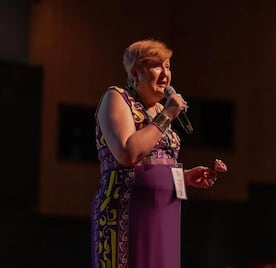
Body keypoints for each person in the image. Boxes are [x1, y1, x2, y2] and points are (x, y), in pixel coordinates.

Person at [90, 38, 228, 268]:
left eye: (167, 66)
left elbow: (156, 162)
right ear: (135, 73)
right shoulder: (116, 98)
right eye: (156, 65)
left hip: (165, 214)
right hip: (129, 213)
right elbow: (128, 153)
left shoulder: (160, 111)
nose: (165, 73)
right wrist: (168, 114)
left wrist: (184, 178)